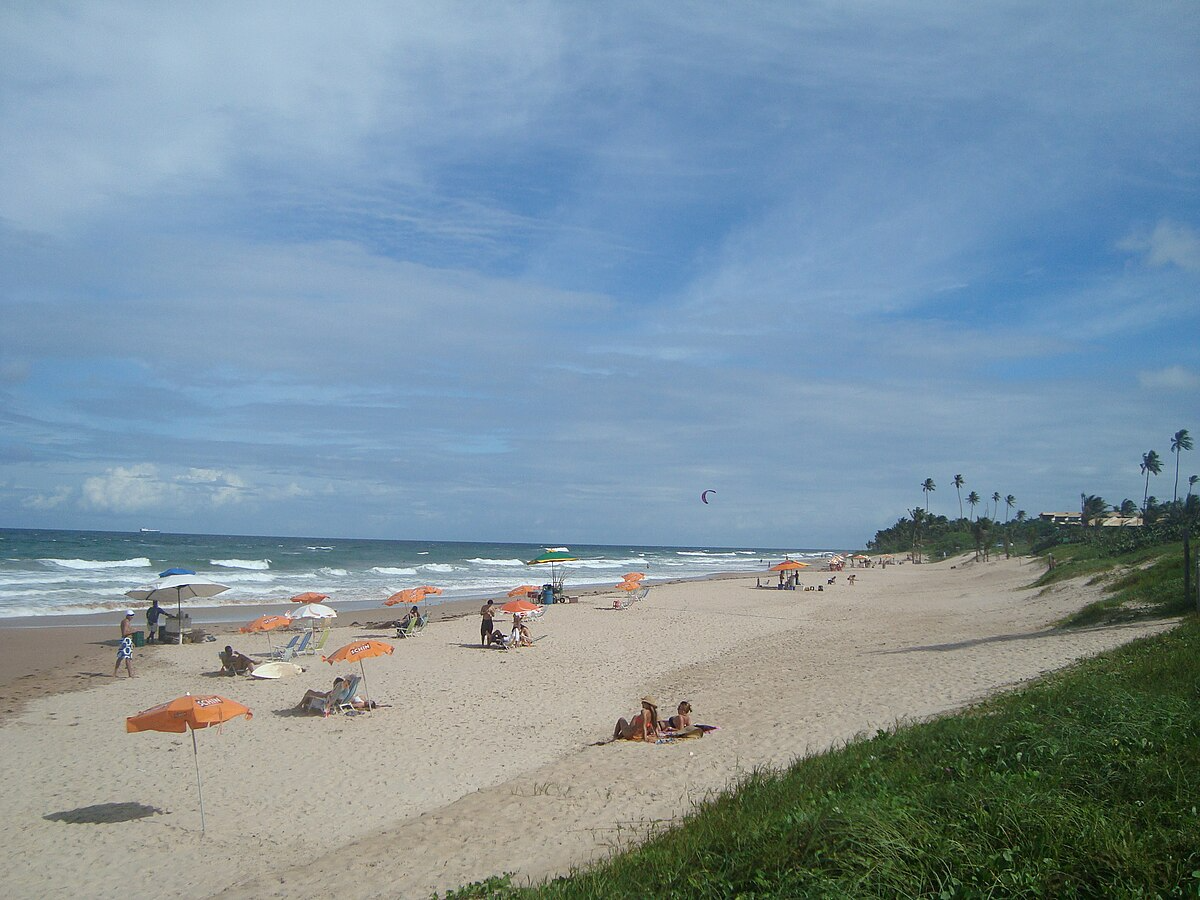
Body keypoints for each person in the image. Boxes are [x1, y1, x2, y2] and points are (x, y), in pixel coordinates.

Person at [113, 610, 136, 678]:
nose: (132, 617)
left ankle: (115, 672)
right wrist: (133, 631)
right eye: (130, 615)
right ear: (127, 615)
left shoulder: (125, 621)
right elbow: (124, 633)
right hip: (126, 640)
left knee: (121, 657)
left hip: (126, 640)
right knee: (127, 658)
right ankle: (130, 674)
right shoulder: (126, 622)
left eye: (132, 615)